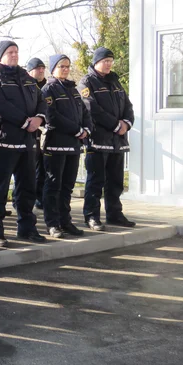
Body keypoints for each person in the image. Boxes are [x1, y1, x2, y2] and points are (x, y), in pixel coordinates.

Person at [0, 40, 47, 247]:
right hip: (4, 143)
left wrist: (39, 118)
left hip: (27, 143)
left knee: (27, 188)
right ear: (0, 56)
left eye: (16, 51)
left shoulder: (27, 78)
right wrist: (24, 121)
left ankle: (27, 228)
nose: (14, 55)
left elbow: (41, 101)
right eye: (10, 52)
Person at [78, 47, 136, 230]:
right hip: (98, 140)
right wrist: (116, 125)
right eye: (105, 60)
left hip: (117, 142)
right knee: (96, 181)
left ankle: (114, 214)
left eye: (111, 60)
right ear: (96, 62)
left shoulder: (115, 82)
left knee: (116, 181)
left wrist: (126, 123)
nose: (109, 64)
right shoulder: (87, 82)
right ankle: (92, 216)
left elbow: (128, 106)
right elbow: (91, 108)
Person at [41, 54, 92, 237]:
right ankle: (52, 223)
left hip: (73, 146)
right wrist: (76, 130)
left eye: (68, 66)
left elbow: (84, 112)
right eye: (61, 66)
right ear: (53, 68)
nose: (65, 69)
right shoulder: (48, 89)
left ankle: (65, 221)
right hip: (56, 145)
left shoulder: (73, 89)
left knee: (67, 186)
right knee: (54, 185)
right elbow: (52, 117)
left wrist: (86, 128)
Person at [26, 57, 47, 210]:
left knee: (43, 169)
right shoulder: (26, 86)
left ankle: (40, 197)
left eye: (42, 68)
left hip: (45, 134)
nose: (41, 71)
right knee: (28, 170)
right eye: (37, 68)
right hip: (30, 133)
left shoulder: (48, 87)